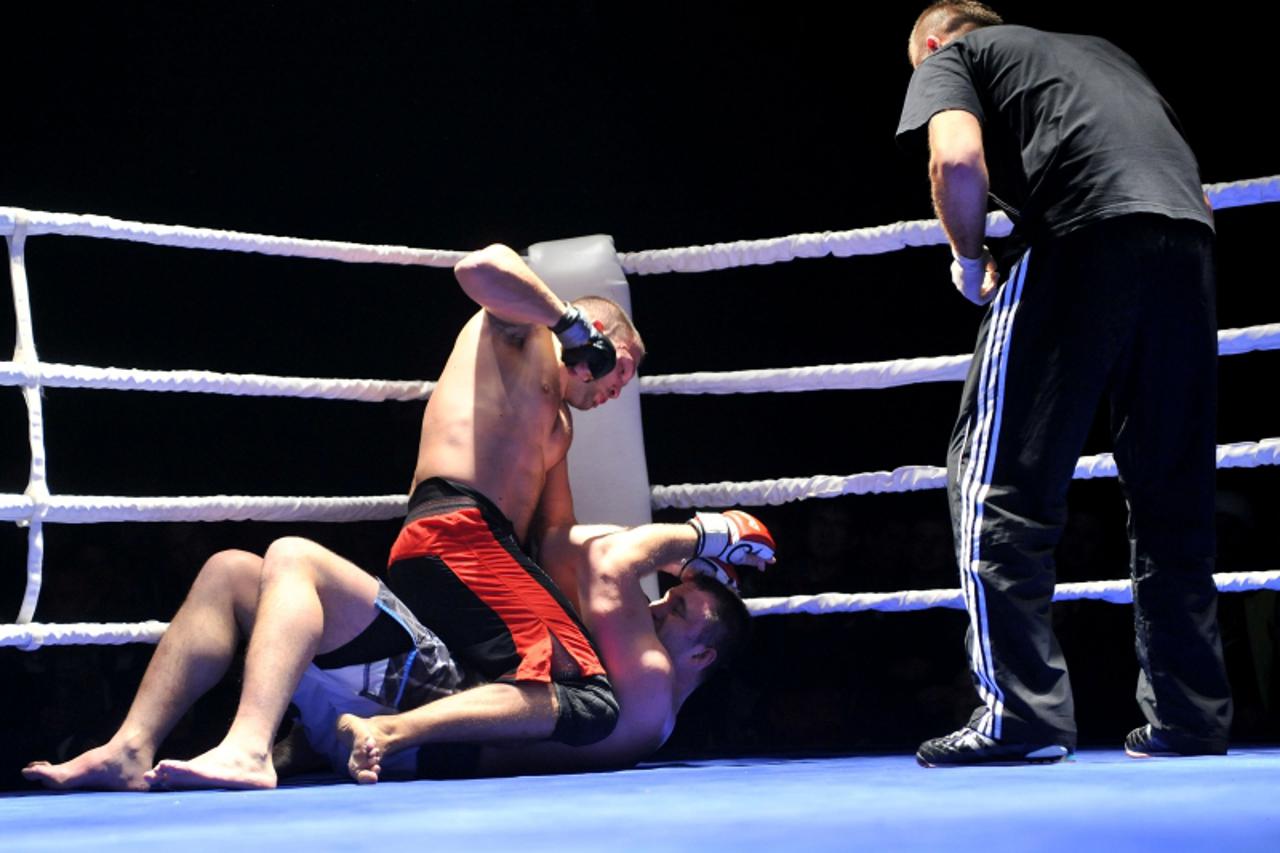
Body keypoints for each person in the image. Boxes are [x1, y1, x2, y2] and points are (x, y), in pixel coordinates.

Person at [21, 242, 773, 789]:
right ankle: (246, 746)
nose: (614, 392)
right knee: (590, 696)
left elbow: (553, 539)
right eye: (620, 371)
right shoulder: (521, 332)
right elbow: (478, 266)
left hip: (477, 555)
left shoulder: (560, 429)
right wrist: (570, 321)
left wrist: (652, 548)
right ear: (600, 341)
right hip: (461, 532)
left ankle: (133, 746)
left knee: (231, 572)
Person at [896, 2, 1231, 766]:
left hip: (1080, 231)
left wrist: (968, 256)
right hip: (1187, 243)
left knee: (997, 479)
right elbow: (1194, 186)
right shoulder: (1103, 53)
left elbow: (955, 160)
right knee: (1174, 489)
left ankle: (1019, 712)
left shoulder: (954, 56)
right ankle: (1188, 716)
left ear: (936, 43)